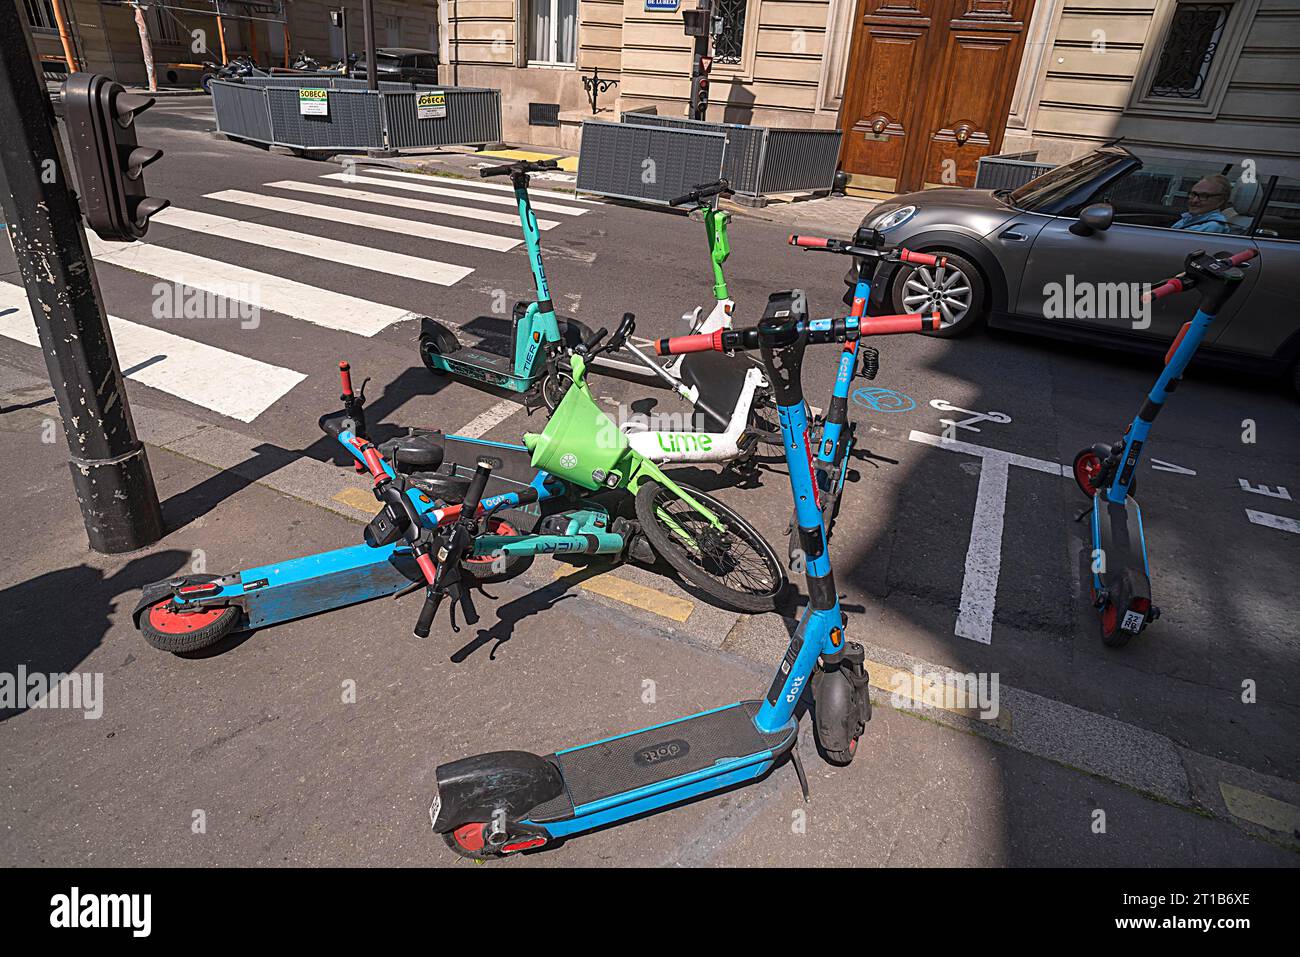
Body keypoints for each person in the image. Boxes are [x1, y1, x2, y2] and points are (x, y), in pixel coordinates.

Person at [1170, 174, 1234, 233]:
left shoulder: (1212, 226)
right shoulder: (1192, 218)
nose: (1194, 200)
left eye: (1204, 196)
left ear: (1221, 201)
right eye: (1193, 194)